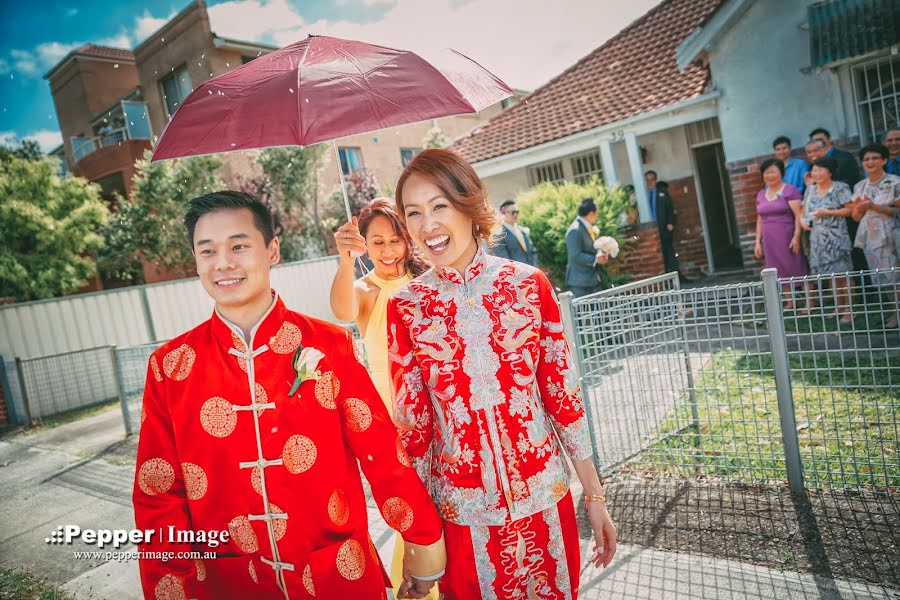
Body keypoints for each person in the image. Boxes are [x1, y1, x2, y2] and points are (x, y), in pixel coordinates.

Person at [133, 191, 445, 599]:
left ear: (272, 250)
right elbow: (159, 496)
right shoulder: (170, 367)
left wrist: (423, 543)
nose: (223, 263)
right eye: (207, 251)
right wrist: (169, 589)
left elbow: (382, 453)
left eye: (239, 246)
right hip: (231, 582)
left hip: (337, 574)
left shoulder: (330, 346)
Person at [388, 149, 617, 599]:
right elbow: (412, 429)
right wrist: (419, 539)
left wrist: (594, 497)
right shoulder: (405, 307)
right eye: (413, 213)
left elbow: (563, 399)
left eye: (440, 206)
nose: (427, 224)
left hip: (544, 505)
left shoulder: (529, 286)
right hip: (460, 515)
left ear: (469, 205)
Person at [329, 198, 436, 597]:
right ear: (365, 247)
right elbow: (341, 311)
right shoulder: (365, 290)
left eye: (395, 240)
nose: (389, 251)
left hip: (442, 409)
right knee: (415, 511)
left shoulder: (428, 283)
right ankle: (417, 586)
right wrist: (344, 259)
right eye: (377, 243)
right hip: (395, 419)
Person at [850, 143, 900, 328]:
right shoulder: (860, 186)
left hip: (892, 232)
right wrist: (860, 209)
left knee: (896, 276)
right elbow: (855, 216)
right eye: (866, 159)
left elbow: (897, 211)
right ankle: (896, 312)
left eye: (875, 158)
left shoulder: (895, 182)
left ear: (884, 160)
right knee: (885, 278)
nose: (870, 162)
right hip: (870, 235)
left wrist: (873, 206)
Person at [801, 158, 855, 324]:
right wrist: (803, 220)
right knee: (830, 276)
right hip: (817, 238)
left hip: (836, 237)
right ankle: (839, 306)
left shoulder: (840, 188)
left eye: (820, 170)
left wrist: (828, 212)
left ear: (830, 171)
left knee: (843, 275)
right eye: (814, 170)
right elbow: (805, 210)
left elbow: (850, 210)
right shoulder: (810, 189)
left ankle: (849, 310)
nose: (815, 173)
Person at [753, 158, 810, 310]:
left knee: (797, 266)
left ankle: (810, 302)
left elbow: (798, 214)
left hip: (787, 235)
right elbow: (759, 219)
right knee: (777, 269)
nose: (770, 175)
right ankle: (790, 302)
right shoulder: (760, 194)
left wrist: (797, 236)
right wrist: (758, 241)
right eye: (766, 172)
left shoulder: (790, 190)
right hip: (769, 238)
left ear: (781, 173)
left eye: (773, 172)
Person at [566, 198, 608, 297]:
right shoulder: (574, 230)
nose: (597, 216)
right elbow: (575, 256)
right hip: (580, 283)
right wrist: (596, 259)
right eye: (597, 213)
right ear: (590, 214)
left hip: (592, 280)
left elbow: (591, 248)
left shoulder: (588, 227)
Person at [646, 171, 678, 274]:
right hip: (650, 230)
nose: (649, 182)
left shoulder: (662, 193)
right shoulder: (643, 194)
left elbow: (670, 208)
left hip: (663, 227)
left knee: (668, 250)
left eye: (652, 179)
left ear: (655, 180)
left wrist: (670, 223)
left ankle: (675, 273)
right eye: (647, 180)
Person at [491, 199, 539, 266]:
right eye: (512, 212)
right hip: (517, 274)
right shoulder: (499, 235)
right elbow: (504, 261)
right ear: (503, 214)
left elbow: (533, 251)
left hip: (533, 272)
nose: (516, 215)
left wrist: (535, 268)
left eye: (517, 212)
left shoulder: (523, 230)